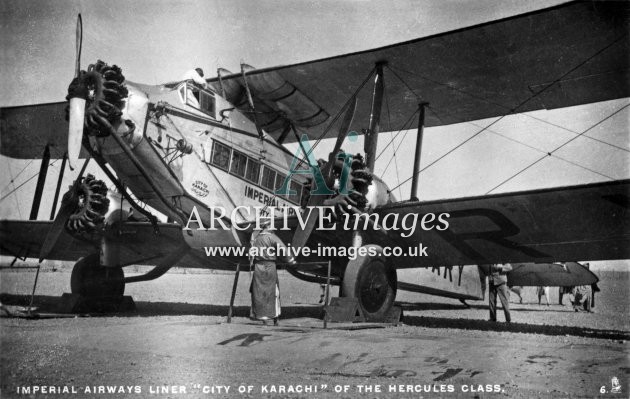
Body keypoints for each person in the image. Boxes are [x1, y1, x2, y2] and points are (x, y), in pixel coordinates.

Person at [249, 224, 295, 326]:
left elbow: (251, 254)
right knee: (274, 292)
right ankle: (275, 318)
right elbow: (283, 249)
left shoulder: (255, 239)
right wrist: (291, 260)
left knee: (259, 292)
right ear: (268, 227)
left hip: (258, 267)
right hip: (270, 267)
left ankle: (263, 318)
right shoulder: (272, 237)